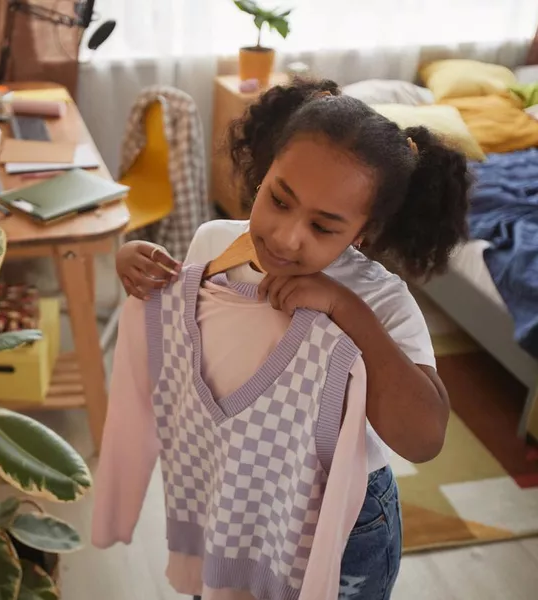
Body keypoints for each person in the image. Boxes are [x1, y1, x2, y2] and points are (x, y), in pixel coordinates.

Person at [113, 77, 470, 599]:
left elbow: (423, 438)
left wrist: (346, 309)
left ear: (362, 233)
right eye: (279, 200)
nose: (286, 236)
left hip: (341, 519)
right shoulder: (215, 242)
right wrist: (133, 265)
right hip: (232, 490)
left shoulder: (384, 303)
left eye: (324, 227)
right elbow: (185, 324)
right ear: (263, 171)